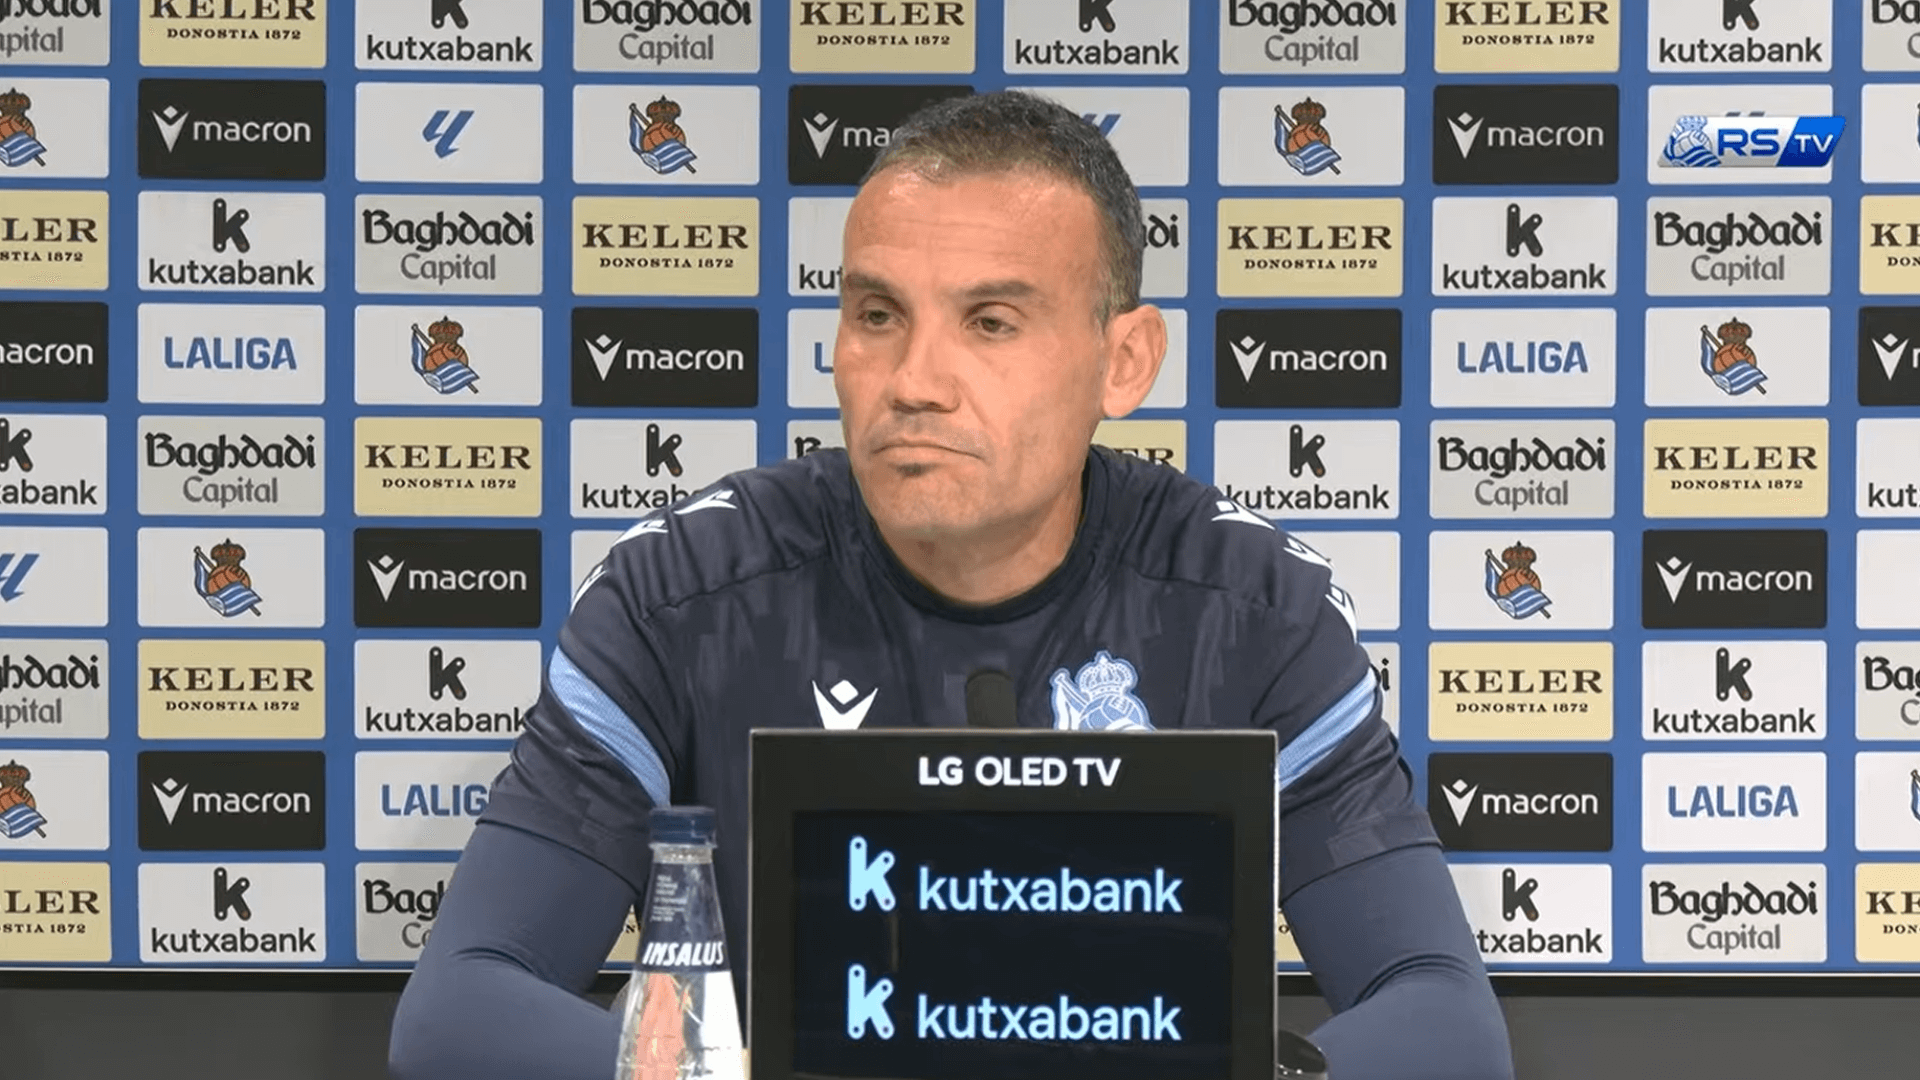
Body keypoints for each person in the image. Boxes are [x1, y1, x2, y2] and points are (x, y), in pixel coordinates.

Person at [388, 91, 1514, 1080]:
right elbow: (461, 1010)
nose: (915, 380)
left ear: (1124, 362)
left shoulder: (1252, 610)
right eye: (877, 315)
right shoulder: (681, 595)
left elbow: (1442, 1016)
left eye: (990, 322)